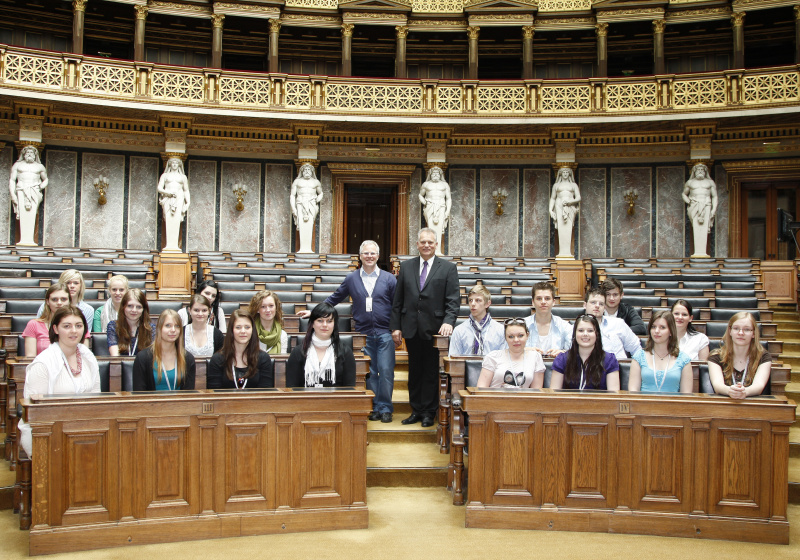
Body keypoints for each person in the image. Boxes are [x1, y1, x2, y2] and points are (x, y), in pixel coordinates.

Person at [298, 240, 397, 422]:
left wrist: (397, 328)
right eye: (366, 253)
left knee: (386, 370)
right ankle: (373, 406)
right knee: (369, 371)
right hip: (362, 334)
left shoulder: (389, 278)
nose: (369, 256)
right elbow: (335, 298)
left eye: (373, 253)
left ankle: (385, 408)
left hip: (384, 332)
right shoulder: (352, 278)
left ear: (378, 256)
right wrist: (314, 312)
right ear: (360, 256)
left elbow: (397, 306)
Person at [391, 227, 460, 427]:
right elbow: (398, 300)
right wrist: (396, 326)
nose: (427, 245)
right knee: (415, 371)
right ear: (418, 244)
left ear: (436, 244)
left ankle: (429, 412)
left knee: (430, 371)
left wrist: (448, 321)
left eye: (430, 242)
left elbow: (453, 300)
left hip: (436, 329)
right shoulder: (406, 267)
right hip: (411, 327)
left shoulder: (447, 268)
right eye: (423, 242)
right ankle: (416, 410)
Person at [18, 306, 101, 457]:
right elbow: (35, 414)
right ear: (55, 329)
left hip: (86, 436)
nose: (74, 331)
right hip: (51, 439)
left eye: (78, 325)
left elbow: (96, 401)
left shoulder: (89, 358)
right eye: (67, 326)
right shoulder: (42, 364)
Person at [286, 302, 355, 388]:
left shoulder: (346, 352)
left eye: (329, 321)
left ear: (334, 325)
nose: (324, 325)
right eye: (320, 320)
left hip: (336, 401)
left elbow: (349, 389)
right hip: (305, 400)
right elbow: (291, 387)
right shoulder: (298, 352)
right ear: (312, 324)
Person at [708, 312, 771, 399]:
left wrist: (745, 392)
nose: (741, 333)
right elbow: (717, 385)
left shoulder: (763, 356)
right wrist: (730, 391)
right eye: (736, 328)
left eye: (747, 329)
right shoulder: (715, 356)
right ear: (730, 331)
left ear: (753, 334)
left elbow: (759, 385)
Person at [628, 310, 693, 393]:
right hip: (644, 405)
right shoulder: (639, 357)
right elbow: (633, 392)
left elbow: (686, 396)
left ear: (671, 332)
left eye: (662, 327)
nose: (657, 331)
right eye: (653, 327)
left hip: (673, 405)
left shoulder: (684, 359)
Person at [207, 310, 273, 389]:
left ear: (252, 330)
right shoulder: (217, 359)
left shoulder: (263, 358)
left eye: (247, 327)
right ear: (231, 330)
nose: (243, 331)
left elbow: (265, 393)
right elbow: (214, 394)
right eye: (238, 327)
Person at [551, 315, 620, 390]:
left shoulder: (609, 360)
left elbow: (613, 396)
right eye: (581, 330)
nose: (585, 334)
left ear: (596, 334)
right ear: (575, 334)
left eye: (590, 331)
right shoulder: (562, 359)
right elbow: (554, 395)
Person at [132, 309, 196, 391]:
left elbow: (188, 395)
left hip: (179, 404)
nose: (173, 330)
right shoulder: (143, 358)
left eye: (177, 326)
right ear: (159, 328)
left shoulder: (188, 358)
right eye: (168, 325)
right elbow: (139, 394)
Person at [477, 318, 545, 389]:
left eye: (520, 335)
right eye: (511, 336)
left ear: (527, 335)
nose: (516, 340)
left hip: (523, 399)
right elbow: (481, 390)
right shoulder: (493, 357)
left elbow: (536, 392)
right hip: (495, 399)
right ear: (505, 338)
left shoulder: (535, 357)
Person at [582, 287, 641, 361]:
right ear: (585, 305)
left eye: (601, 304)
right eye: (593, 302)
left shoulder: (618, 324)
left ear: (604, 308)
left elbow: (636, 349)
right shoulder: (576, 329)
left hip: (619, 369)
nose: (597, 306)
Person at [449, 284, 505, 357]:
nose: (473, 304)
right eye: (470, 300)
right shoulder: (459, 330)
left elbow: (504, 361)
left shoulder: (500, 330)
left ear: (487, 304)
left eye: (478, 300)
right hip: (466, 368)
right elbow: (453, 361)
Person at [9, 145, 48, 246]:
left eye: (32, 153)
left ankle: (29, 241)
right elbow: (12, 180)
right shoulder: (17, 165)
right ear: (24, 154)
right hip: (21, 190)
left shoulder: (39, 167)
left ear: (35, 155)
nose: (29, 154)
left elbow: (46, 179)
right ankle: (24, 241)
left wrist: (40, 187)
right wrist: (13, 195)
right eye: (27, 153)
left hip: (34, 190)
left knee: (32, 213)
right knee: (23, 213)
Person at [23, 283, 74, 356]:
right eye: (54, 299)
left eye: (63, 299)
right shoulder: (34, 325)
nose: (59, 303)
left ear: (69, 301)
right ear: (47, 302)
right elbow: (30, 359)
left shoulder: (78, 325)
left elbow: (83, 358)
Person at [524, 281, 571, 357]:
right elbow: (508, 351)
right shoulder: (522, 325)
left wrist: (563, 353)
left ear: (553, 302)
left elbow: (574, 352)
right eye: (539, 298)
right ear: (533, 302)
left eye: (547, 298)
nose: (543, 302)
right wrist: (522, 351)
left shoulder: (565, 326)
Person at [682, 163, 718, 257]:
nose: (700, 171)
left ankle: (702, 253)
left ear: (706, 172)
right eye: (698, 169)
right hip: (694, 205)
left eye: (702, 170)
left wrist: (713, 209)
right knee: (696, 226)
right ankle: (698, 253)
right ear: (694, 171)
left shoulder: (710, 183)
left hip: (706, 205)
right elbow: (684, 194)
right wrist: (688, 201)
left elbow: (714, 196)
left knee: (704, 227)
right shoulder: (690, 183)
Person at [107, 288, 155, 356]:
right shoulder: (113, 326)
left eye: (138, 307)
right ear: (123, 307)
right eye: (130, 306)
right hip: (121, 366)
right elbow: (115, 357)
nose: (134, 310)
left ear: (143, 310)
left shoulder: (151, 329)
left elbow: (152, 357)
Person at [157, 157, 191, 252]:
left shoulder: (183, 177)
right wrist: (168, 193)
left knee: (176, 221)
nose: (175, 164)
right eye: (173, 163)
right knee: (168, 220)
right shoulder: (165, 175)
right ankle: (169, 245)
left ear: (179, 165)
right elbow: (159, 188)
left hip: (179, 199)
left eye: (177, 163)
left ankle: (175, 246)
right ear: (170, 164)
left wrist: (187, 202)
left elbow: (186, 190)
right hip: (168, 199)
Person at [290, 163, 323, 253]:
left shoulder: (316, 182)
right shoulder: (297, 181)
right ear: (302, 171)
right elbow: (292, 195)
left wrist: (318, 199)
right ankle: (303, 249)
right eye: (305, 170)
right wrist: (293, 208)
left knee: (310, 223)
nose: (307, 172)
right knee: (301, 223)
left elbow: (320, 193)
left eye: (309, 170)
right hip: (300, 203)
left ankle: (308, 249)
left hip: (312, 203)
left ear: (312, 172)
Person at [419, 166, 451, 256]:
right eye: (434, 173)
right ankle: (430, 251)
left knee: (439, 228)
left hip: (441, 206)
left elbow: (448, 199)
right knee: (431, 228)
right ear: (431, 174)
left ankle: (437, 251)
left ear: (440, 175)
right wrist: (424, 202)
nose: (435, 175)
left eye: (437, 173)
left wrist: (447, 211)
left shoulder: (444, 185)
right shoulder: (426, 184)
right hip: (430, 206)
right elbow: (420, 195)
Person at [549, 166, 581, 258]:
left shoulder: (573, 185)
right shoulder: (556, 185)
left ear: (570, 174)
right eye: (564, 172)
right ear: (560, 174)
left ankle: (567, 253)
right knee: (561, 228)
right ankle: (562, 253)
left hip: (570, 207)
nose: (565, 174)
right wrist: (550, 209)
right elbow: (553, 198)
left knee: (568, 228)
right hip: (559, 206)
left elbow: (578, 198)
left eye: (567, 172)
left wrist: (570, 202)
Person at [248, 289, 288, 353]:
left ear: (276, 307)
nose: (268, 310)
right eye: (263, 307)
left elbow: (281, 361)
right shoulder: (250, 332)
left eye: (271, 306)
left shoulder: (282, 335)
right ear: (257, 309)